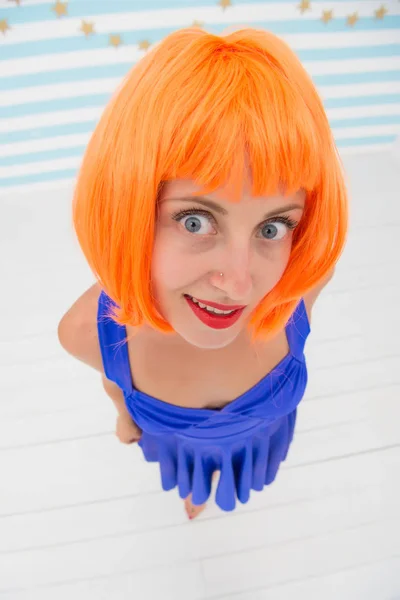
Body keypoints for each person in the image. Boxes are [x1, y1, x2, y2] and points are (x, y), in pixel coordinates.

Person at [58, 27, 348, 520]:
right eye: (195, 221)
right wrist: (124, 418)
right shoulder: (88, 331)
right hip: (179, 449)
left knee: (245, 473)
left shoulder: (303, 282)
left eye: (273, 227)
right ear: (128, 206)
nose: (239, 284)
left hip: (259, 440)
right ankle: (195, 488)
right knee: (191, 479)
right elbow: (114, 382)